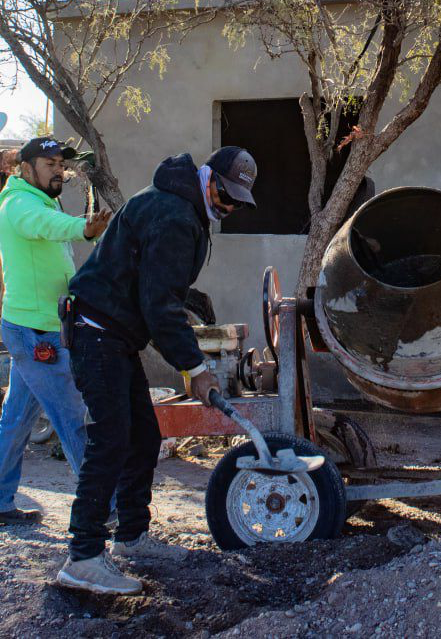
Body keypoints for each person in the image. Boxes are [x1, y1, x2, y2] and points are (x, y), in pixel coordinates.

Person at [55, 146, 256, 595]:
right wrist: (195, 369)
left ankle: (131, 538)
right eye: (227, 197)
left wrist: (188, 299)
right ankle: (83, 556)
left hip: (115, 334)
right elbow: (159, 307)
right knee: (111, 438)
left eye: (238, 203)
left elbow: (152, 280)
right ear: (209, 180)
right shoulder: (175, 215)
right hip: (96, 331)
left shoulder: (178, 205)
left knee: (143, 434)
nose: (228, 208)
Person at [0, 137, 111, 528]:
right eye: (50, 163)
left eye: (61, 165)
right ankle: (103, 508)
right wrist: (83, 228)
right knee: (73, 419)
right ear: (26, 167)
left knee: (16, 421)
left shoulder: (42, 200)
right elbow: (49, 228)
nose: (59, 171)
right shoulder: (19, 205)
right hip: (38, 335)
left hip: (41, 330)